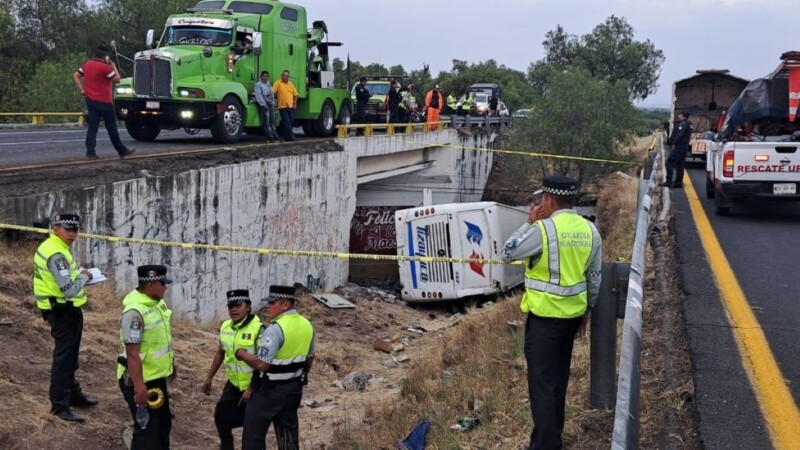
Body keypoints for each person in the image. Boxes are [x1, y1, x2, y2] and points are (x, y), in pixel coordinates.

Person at [502, 176, 602, 450]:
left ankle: (545, 445)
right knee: (558, 381)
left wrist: (529, 223)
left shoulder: (543, 230)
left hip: (545, 320)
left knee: (542, 386)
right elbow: (594, 277)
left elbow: (508, 253)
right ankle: (551, 437)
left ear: (548, 200)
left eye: (542, 199)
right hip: (571, 319)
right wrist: (586, 312)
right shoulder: (590, 230)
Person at [33, 213, 97, 423]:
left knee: (70, 357)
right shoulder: (57, 254)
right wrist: (84, 277)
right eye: (67, 229)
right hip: (63, 311)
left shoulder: (53, 247)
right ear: (55, 228)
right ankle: (60, 407)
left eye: (75, 230)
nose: (72, 234)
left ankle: (74, 395)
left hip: (62, 309)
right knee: (64, 359)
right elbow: (69, 290)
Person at [241, 285, 315, 450]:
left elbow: (262, 364)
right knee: (288, 440)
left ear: (286, 305)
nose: (267, 306)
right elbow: (310, 358)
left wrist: (242, 354)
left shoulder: (275, 330)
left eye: (272, 302)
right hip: (293, 391)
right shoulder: (306, 325)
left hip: (269, 392)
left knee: (253, 439)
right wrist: (298, 376)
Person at [117, 265, 176, 450]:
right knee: (147, 434)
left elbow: (161, 339)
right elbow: (133, 355)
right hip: (139, 380)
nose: (165, 288)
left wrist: (170, 364)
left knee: (162, 426)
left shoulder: (157, 302)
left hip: (156, 378)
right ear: (150, 285)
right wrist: (140, 389)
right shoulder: (134, 313)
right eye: (162, 284)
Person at [202, 290, 263, 450]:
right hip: (234, 384)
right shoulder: (225, 326)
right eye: (230, 306)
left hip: (256, 386)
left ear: (248, 307)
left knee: (252, 429)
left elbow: (263, 364)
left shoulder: (259, 329)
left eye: (238, 306)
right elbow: (221, 352)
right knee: (221, 416)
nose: (233, 310)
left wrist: (251, 388)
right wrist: (209, 377)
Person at [73, 45, 135, 159]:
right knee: (111, 128)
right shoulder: (105, 68)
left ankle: (90, 152)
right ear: (105, 56)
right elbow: (117, 79)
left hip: (91, 100)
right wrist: (114, 66)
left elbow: (76, 75)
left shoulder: (87, 64)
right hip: (105, 102)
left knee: (92, 127)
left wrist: (82, 89)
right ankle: (121, 151)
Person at [662, 112, 692, 188]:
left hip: (679, 147)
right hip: (684, 147)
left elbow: (679, 134)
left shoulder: (683, 124)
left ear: (682, 115)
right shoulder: (689, 124)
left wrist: (674, 144)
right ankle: (678, 182)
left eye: (680, 114)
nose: (678, 115)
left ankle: (669, 181)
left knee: (669, 163)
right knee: (680, 164)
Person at [273, 70, 299, 141]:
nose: (285, 77)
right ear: (281, 76)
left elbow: (295, 95)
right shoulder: (278, 83)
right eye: (284, 75)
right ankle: (291, 136)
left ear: (288, 77)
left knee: (290, 122)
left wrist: (295, 104)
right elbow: (272, 91)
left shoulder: (291, 84)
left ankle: (286, 137)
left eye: (287, 76)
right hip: (282, 107)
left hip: (290, 107)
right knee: (286, 122)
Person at [255, 71, 280, 142]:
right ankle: (270, 137)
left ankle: (275, 136)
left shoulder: (268, 84)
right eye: (264, 76)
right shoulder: (258, 85)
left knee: (272, 122)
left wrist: (273, 103)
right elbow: (258, 96)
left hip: (271, 105)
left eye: (267, 76)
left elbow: (272, 94)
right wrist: (263, 104)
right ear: (261, 77)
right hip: (264, 106)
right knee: (266, 123)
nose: (265, 78)